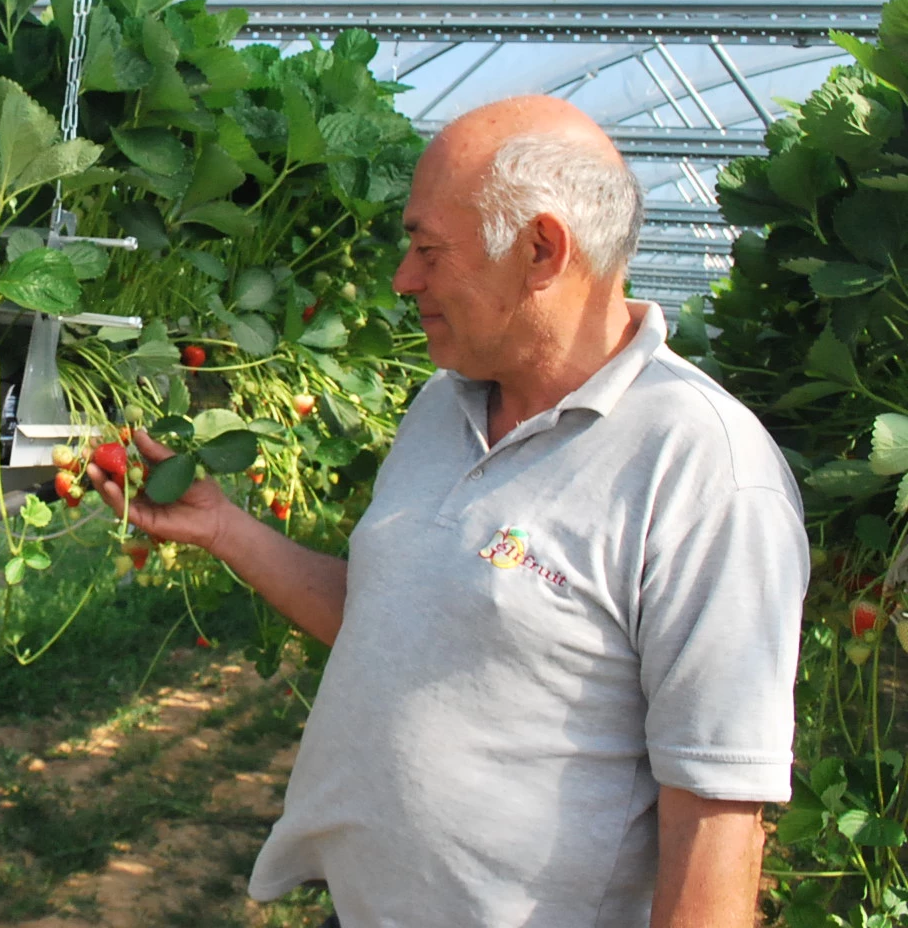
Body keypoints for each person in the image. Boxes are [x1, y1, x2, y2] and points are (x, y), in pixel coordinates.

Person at [91, 95, 808, 927]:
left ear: (541, 250)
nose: (403, 280)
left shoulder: (701, 466)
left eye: (429, 250)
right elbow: (392, 619)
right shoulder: (443, 405)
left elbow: (718, 810)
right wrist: (225, 528)